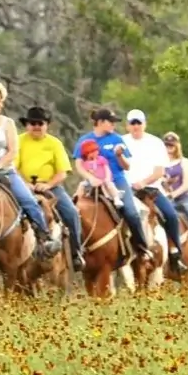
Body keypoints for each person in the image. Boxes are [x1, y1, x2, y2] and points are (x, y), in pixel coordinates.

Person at [0, 80, 62, 259]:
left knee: (29, 201)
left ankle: (43, 238)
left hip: (5, 171)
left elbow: (13, 151)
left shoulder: (7, 123)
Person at [73, 108, 152, 261]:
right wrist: (90, 178)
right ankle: (74, 250)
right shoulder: (84, 140)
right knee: (74, 210)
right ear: (101, 122)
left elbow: (127, 166)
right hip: (93, 181)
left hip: (116, 180)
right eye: (111, 122)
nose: (114, 126)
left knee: (131, 212)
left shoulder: (116, 139)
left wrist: (119, 155)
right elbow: (79, 164)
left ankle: (141, 247)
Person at [15, 106, 86, 270]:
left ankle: (76, 253)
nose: (37, 126)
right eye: (33, 123)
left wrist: (47, 184)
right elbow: (13, 167)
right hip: (23, 186)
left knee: (72, 213)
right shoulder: (19, 141)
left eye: (41, 123)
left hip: (50, 187)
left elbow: (62, 172)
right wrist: (25, 184)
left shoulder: (55, 143)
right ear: (27, 125)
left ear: (47, 125)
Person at [121, 109, 188, 272]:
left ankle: (175, 254)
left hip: (151, 189)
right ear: (127, 126)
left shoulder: (156, 143)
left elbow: (159, 171)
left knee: (171, 215)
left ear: (145, 124)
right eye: (133, 123)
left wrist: (143, 182)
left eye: (139, 122)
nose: (136, 126)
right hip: (126, 190)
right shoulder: (120, 142)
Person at [77, 139, 124, 207]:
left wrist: (107, 178)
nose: (95, 153)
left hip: (103, 179)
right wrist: (91, 177)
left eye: (96, 151)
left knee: (110, 185)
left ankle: (116, 198)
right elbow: (87, 173)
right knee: (82, 185)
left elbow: (106, 169)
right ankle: (77, 199)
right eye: (92, 152)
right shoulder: (86, 163)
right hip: (93, 181)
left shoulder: (101, 159)